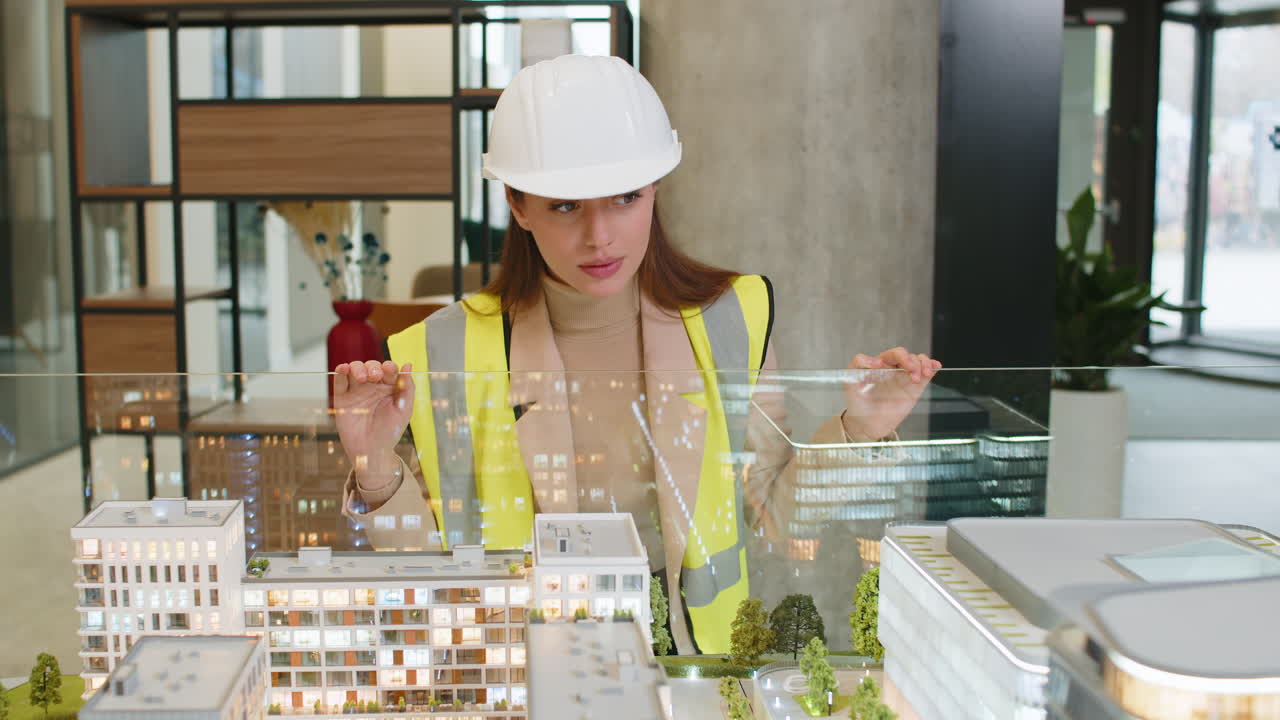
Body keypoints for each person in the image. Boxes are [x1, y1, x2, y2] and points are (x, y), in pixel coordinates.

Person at [333, 54, 940, 654]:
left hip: (693, 659)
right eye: (566, 206)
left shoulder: (730, 318)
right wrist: (374, 463)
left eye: (625, 198)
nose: (600, 236)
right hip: (524, 655)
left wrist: (859, 430)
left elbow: (776, 520)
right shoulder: (443, 347)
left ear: (654, 188)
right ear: (518, 205)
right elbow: (425, 564)